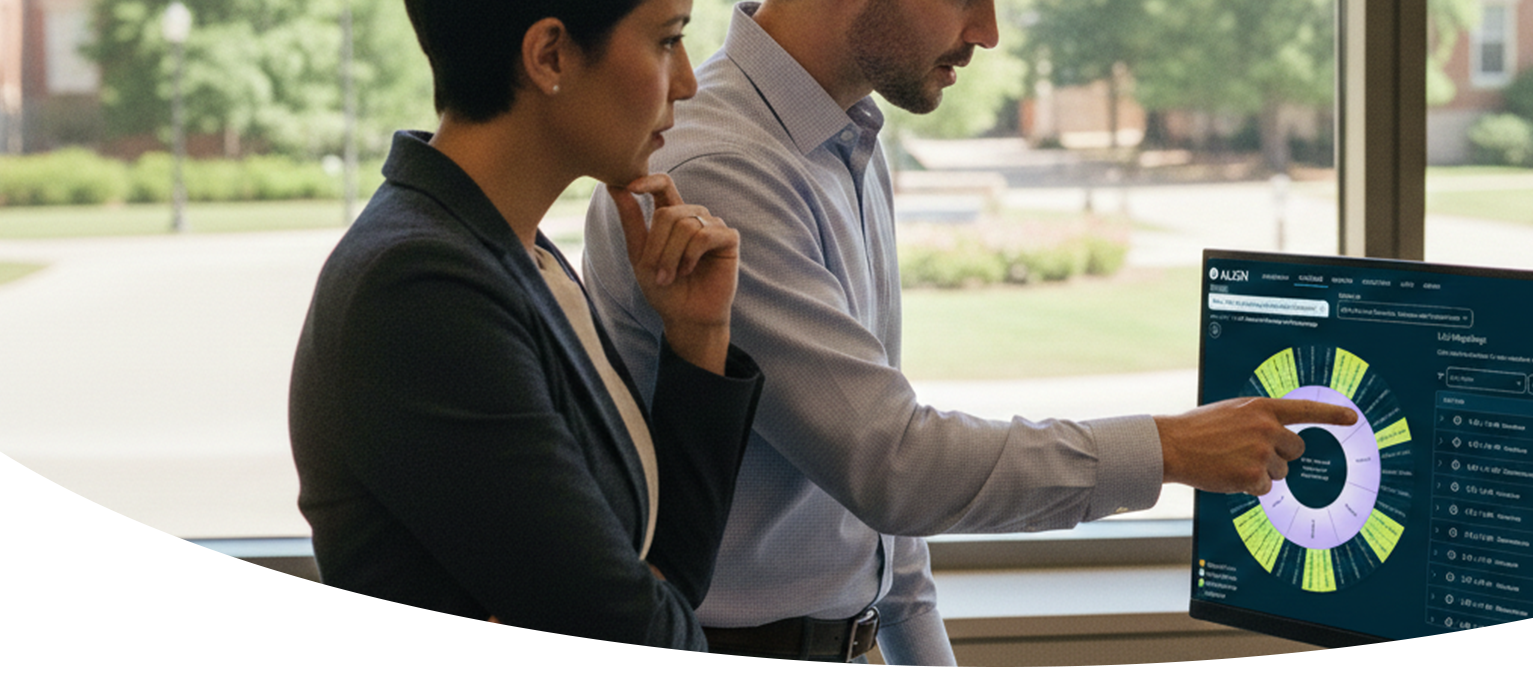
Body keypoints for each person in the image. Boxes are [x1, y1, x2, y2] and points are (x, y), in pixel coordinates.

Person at [580, 0, 1357, 670]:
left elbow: (871, 477)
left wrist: (921, 648)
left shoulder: (841, 139)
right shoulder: (722, 167)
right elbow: (891, 461)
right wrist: (1171, 448)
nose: (987, 32)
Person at [288, 0, 758, 667]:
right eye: (667, 41)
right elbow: (628, 636)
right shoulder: (423, 288)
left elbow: (663, 578)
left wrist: (696, 336)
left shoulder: (513, 253)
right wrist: (644, 605)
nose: (687, 81)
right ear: (550, 56)